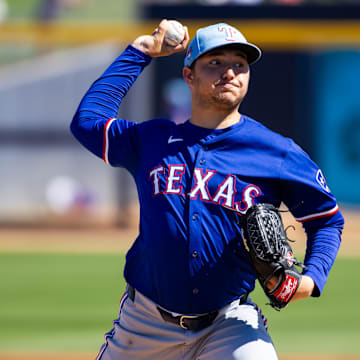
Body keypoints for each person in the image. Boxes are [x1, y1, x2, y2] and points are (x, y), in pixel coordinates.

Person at [70, 20, 344, 360]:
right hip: (144, 323)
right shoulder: (151, 141)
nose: (229, 72)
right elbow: (86, 122)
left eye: (239, 65)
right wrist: (141, 51)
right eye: (215, 63)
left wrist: (311, 279)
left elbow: (327, 221)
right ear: (189, 76)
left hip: (230, 323)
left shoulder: (277, 152)